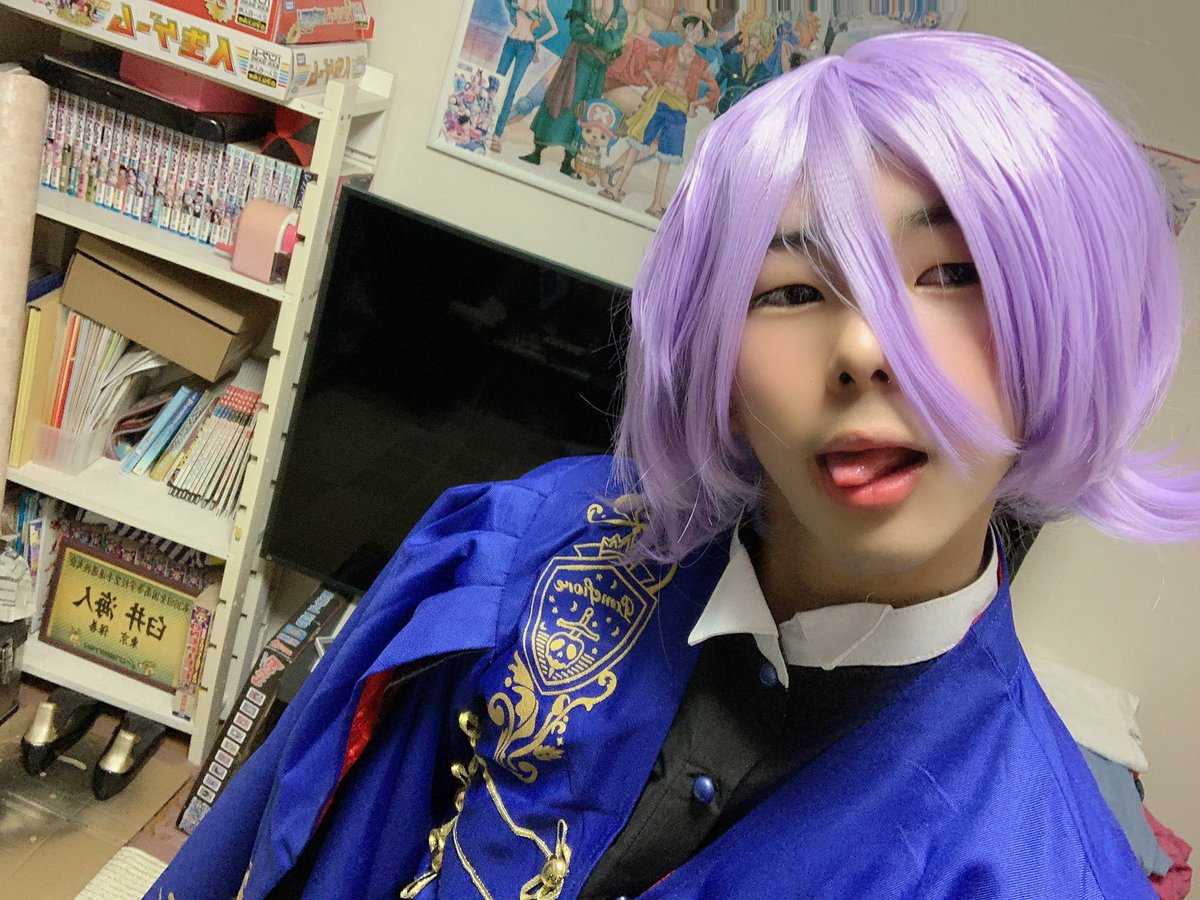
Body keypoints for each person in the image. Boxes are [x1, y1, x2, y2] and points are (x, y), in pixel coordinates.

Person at [150, 31, 1198, 899]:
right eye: (793, 290)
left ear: (1069, 326)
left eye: (952, 273)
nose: (866, 349)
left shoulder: (1037, 867)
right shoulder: (529, 550)